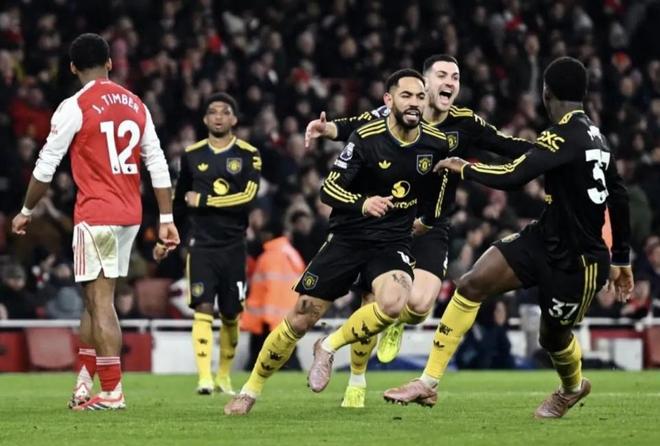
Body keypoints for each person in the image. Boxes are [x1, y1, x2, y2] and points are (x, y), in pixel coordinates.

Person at [383, 57, 634, 419]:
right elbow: (619, 195)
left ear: (546, 93)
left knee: (552, 338)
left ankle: (572, 388)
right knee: (471, 284)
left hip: (579, 259)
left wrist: (465, 168)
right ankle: (428, 382)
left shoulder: (563, 136)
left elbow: (514, 176)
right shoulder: (595, 136)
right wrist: (623, 257)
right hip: (543, 237)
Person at [305, 54, 533, 407]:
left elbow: (506, 145)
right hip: (388, 222)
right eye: (442, 74)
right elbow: (359, 125)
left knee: (420, 305)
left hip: (432, 222)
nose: (450, 82)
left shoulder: (465, 122)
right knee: (376, 302)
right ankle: (355, 378)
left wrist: (553, 150)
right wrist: (328, 129)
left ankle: (393, 323)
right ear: (424, 84)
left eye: (455, 77)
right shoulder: (399, 111)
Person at [224, 68, 449, 415]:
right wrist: (363, 203)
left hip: (391, 242)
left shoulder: (435, 143)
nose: (414, 103)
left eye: (420, 96)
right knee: (302, 315)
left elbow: (438, 195)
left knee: (391, 303)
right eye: (406, 95)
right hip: (348, 237)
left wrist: (427, 222)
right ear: (388, 100)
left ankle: (331, 352)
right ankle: (249, 390)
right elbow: (328, 189)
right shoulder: (366, 137)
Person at [11, 33, 179, 411]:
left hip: (97, 214)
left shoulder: (74, 106)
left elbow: (46, 165)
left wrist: (26, 211)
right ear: (110, 63)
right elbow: (157, 162)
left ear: (72, 67)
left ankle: (113, 391)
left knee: (100, 302)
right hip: (130, 215)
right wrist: (166, 218)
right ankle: (85, 382)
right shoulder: (136, 104)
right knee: (93, 299)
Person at [172, 92, 262, 395]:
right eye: (213, 112)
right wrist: (167, 233)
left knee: (230, 313)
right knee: (202, 306)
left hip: (234, 246)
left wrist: (205, 200)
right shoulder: (191, 155)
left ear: (233, 119)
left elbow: (247, 197)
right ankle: (204, 378)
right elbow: (180, 200)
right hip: (201, 245)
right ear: (205, 119)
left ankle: (223, 376)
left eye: (225, 112)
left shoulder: (249, 154)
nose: (218, 116)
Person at [241, 214, 306, 370]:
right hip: (287, 315)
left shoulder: (271, 256)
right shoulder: (291, 253)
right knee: (286, 356)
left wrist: (269, 319)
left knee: (260, 360)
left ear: (269, 235)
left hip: (269, 318)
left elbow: (274, 289)